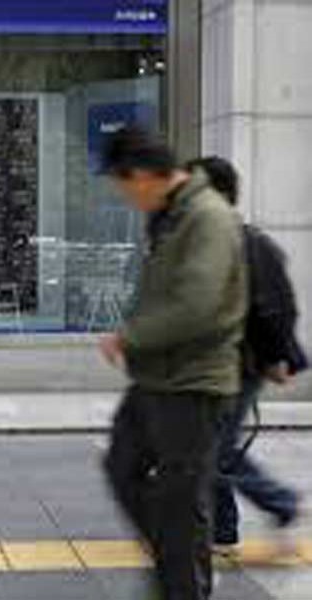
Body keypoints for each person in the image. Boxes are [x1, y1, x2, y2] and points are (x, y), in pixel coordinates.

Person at [98, 128, 247, 600]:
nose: (125, 198)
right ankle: (176, 568)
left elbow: (197, 302)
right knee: (125, 467)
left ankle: (181, 582)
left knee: (180, 504)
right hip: (156, 378)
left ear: (142, 175)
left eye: (124, 187)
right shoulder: (170, 216)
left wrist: (131, 335)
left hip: (192, 383)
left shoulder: (207, 218)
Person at [187, 156, 307, 553]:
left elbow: (272, 306)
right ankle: (222, 531)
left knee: (213, 449)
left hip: (241, 365)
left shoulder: (244, 241)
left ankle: (280, 502)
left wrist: (277, 357)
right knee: (214, 444)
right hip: (216, 364)